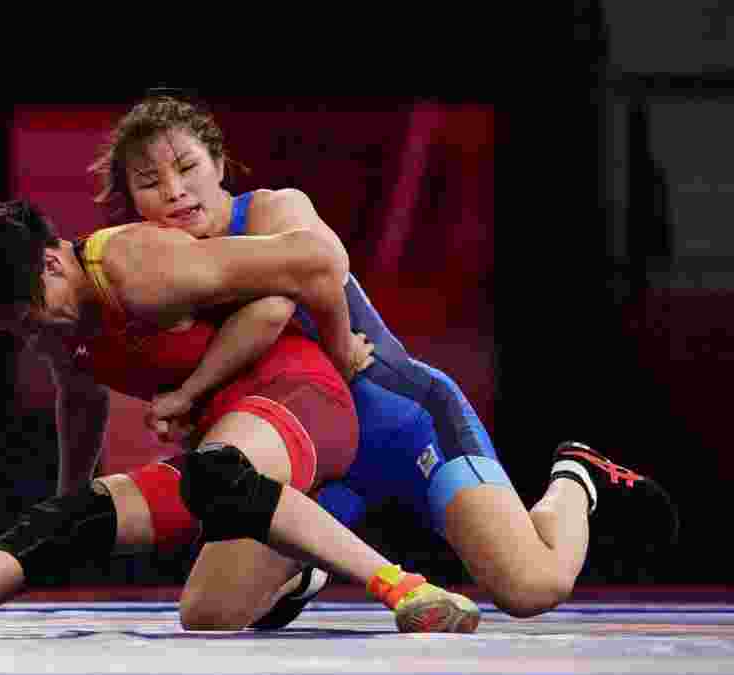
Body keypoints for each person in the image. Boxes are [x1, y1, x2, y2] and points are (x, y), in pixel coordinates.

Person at [86, 93, 680, 625]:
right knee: (209, 612)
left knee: (532, 588)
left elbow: (299, 285)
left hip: (398, 420)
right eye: (150, 181)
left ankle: (577, 477)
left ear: (219, 164)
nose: (175, 191)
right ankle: (308, 566)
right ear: (132, 202)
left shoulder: (273, 210)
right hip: (317, 456)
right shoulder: (155, 276)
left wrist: (329, 348)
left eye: (187, 167)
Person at [0, 197, 482, 637]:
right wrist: (66, 503)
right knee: (170, 588)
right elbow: (80, 400)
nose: (31, 336)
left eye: (29, 319)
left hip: (305, 394)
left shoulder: (139, 267)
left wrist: (347, 354)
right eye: (14, 331)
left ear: (54, 264)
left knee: (213, 476)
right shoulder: (53, 320)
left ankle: (405, 588)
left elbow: (315, 267)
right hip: (235, 431)